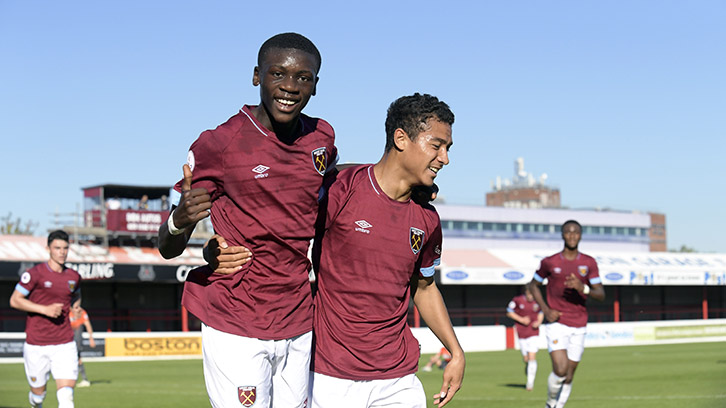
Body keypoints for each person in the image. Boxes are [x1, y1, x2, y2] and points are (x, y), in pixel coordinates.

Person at [157, 32, 337, 408]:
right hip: (236, 318)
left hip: (298, 319)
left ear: (316, 86)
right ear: (257, 77)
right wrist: (180, 220)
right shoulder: (219, 143)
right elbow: (168, 248)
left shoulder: (322, 138)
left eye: (303, 78)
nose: (290, 87)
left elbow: (330, 185)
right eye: (278, 74)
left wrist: (405, 184)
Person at [309, 93, 465, 408]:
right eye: (436, 146)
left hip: (398, 379)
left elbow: (424, 287)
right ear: (401, 138)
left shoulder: (427, 219)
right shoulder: (342, 189)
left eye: (447, 149)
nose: (444, 158)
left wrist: (456, 351)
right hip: (331, 377)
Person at [526, 220, 605, 408]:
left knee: (569, 375)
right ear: (562, 235)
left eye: (575, 232)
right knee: (560, 370)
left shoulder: (588, 263)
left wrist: (583, 288)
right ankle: (550, 403)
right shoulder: (550, 262)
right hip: (557, 323)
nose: (572, 235)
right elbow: (532, 285)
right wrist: (545, 310)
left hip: (579, 325)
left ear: (580, 235)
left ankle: (558, 406)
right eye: (568, 232)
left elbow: (601, 294)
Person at [9, 230, 82, 408]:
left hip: (64, 343)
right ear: (48, 249)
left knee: (66, 398)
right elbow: (14, 300)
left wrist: (76, 305)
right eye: (57, 248)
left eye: (65, 248)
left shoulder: (73, 276)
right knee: (38, 395)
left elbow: (76, 292)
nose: (62, 252)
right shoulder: (35, 274)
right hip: (37, 344)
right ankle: (36, 402)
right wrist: (45, 310)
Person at [506, 285, 544, 391]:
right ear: (526, 293)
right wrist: (521, 320)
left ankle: (530, 383)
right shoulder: (517, 300)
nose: (531, 296)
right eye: (529, 294)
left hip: (534, 332)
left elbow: (541, 312)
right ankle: (528, 369)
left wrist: (539, 322)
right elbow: (509, 312)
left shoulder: (538, 301)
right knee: (526, 359)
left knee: (532, 357)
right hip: (522, 332)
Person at [70, 303, 96, 387]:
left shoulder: (82, 313)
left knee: (76, 358)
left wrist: (91, 338)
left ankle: (83, 379)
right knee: (75, 358)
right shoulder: (67, 312)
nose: (78, 308)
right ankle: (80, 379)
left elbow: (87, 325)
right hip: (68, 337)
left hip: (77, 338)